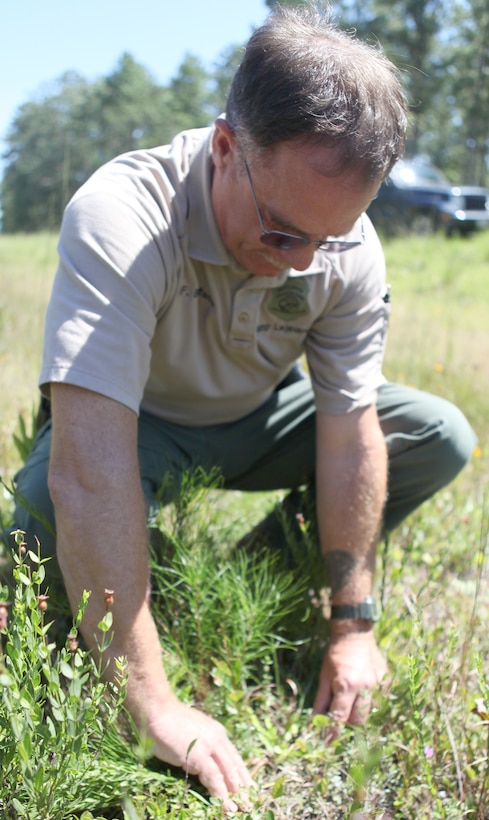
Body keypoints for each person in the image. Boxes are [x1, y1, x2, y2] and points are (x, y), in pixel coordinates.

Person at [11, 4, 476, 811]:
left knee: (433, 435)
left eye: (326, 241)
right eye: (279, 231)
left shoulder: (342, 246)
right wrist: (151, 701)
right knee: (35, 525)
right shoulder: (124, 213)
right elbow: (90, 469)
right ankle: (142, 596)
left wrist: (353, 624)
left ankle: (243, 578)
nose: (295, 263)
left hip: (261, 419)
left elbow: (348, 434)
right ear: (225, 147)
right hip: (141, 426)